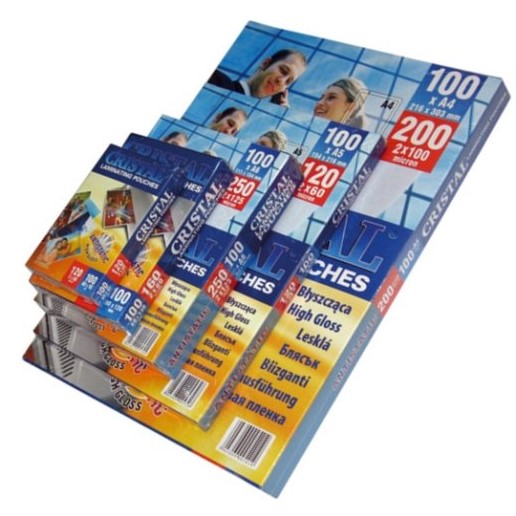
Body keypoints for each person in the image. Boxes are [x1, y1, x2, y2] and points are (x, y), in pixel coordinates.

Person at [208, 49, 307, 107]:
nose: (281, 81)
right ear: (265, 63)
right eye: (283, 70)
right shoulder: (216, 80)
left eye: (288, 82)